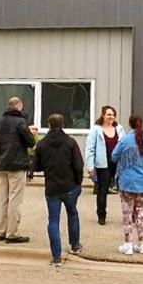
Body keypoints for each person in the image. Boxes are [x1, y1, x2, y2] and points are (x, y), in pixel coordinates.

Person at [30, 113, 84, 267]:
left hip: (52, 187)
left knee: (53, 220)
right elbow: (78, 165)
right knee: (72, 213)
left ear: (48, 126)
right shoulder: (70, 143)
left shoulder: (42, 144)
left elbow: (37, 166)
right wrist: (78, 183)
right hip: (69, 186)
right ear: (63, 125)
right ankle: (74, 245)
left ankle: (56, 256)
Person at [0, 96, 38, 243]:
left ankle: (2, 231)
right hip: (17, 165)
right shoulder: (20, 122)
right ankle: (12, 233)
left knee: (3, 199)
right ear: (19, 107)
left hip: (2, 164)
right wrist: (32, 133)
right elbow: (30, 142)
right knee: (15, 199)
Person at [111, 113, 143, 256]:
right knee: (140, 212)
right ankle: (142, 244)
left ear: (130, 124)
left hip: (128, 181)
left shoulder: (125, 140)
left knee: (127, 213)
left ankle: (128, 244)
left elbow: (114, 156)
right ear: (141, 124)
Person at [84, 105, 126, 225]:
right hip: (103, 164)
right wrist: (90, 166)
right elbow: (90, 149)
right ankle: (101, 215)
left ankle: (129, 214)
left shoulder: (119, 129)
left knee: (125, 189)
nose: (111, 117)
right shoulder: (96, 130)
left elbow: (125, 146)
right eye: (108, 114)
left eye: (113, 114)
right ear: (103, 115)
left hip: (118, 163)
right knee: (103, 189)